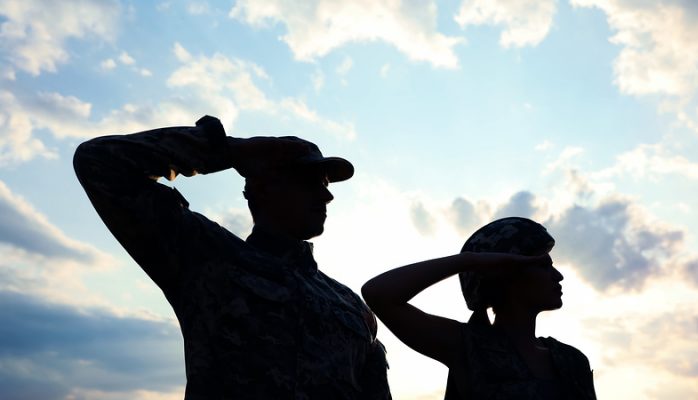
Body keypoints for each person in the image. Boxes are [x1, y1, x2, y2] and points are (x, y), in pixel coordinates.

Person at [74, 116, 390, 399]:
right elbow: (99, 161)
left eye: (324, 184)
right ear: (264, 188)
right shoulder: (207, 257)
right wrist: (227, 151)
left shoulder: (350, 306)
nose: (327, 195)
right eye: (309, 182)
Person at [362, 217, 596, 399]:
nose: (558, 276)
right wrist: (471, 261)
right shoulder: (467, 346)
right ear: (507, 272)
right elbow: (379, 294)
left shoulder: (571, 360)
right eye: (543, 265)